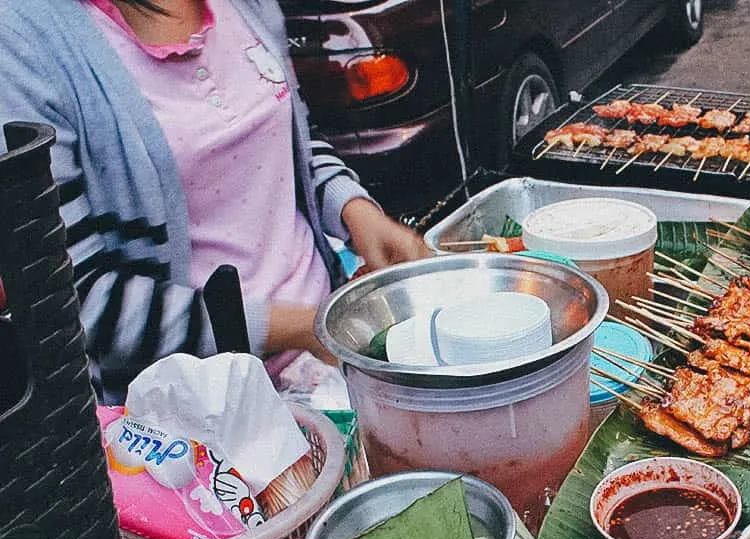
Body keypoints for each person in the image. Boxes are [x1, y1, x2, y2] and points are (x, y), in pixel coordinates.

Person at [0, 0, 430, 402]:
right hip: (202, 419)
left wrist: (354, 210)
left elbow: (289, 135)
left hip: (329, 358)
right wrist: (305, 328)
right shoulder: (22, 41)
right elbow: (82, 303)